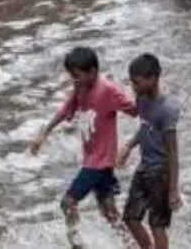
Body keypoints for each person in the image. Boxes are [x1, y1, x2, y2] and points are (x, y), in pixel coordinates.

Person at [29, 47, 138, 248]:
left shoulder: (108, 90)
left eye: (77, 76)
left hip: (99, 162)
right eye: (71, 76)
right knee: (109, 212)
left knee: (68, 203)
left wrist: (133, 143)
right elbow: (66, 109)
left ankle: (77, 246)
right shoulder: (80, 87)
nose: (73, 80)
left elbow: (135, 110)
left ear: (92, 72)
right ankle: (131, 245)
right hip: (96, 161)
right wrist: (45, 132)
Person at [117, 54, 181, 249]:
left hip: (161, 172)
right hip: (144, 167)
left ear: (153, 78)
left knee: (157, 224)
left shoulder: (167, 109)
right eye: (132, 82)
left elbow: (173, 152)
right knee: (130, 217)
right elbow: (145, 127)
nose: (133, 87)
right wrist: (129, 146)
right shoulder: (141, 100)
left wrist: (173, 189)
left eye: (137, 82)